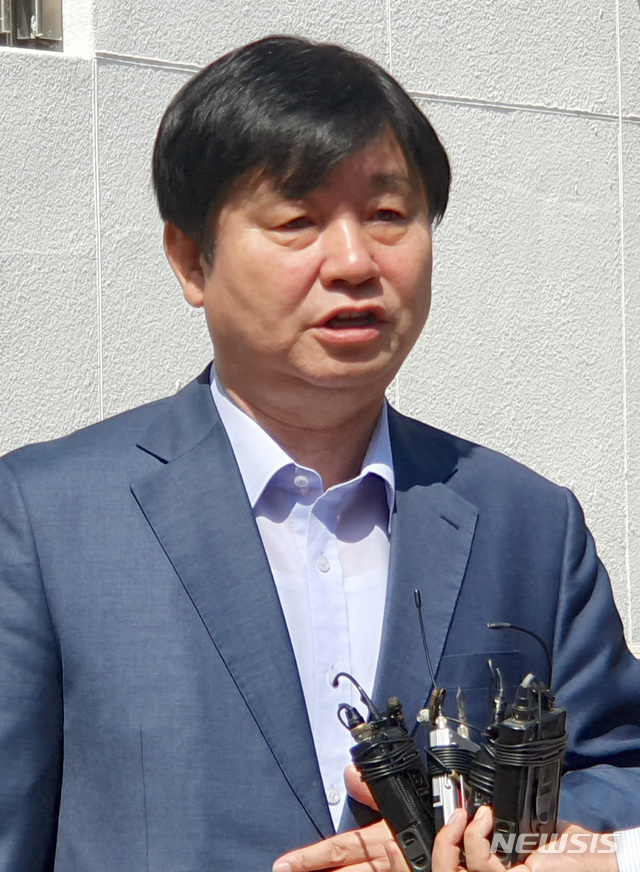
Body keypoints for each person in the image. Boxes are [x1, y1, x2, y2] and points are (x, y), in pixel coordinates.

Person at [1, 35, 639, 872]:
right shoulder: (45, 519)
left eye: (388, 216)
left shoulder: (529, 524)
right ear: (191, 260)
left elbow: (616, 774)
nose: (354, 262)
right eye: (298, 221)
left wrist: (504, 844)